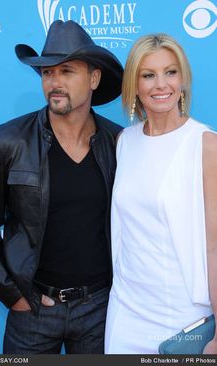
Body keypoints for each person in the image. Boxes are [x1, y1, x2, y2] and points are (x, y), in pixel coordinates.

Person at [0, 20, 123, 354]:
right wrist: (13, 296)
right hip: (32, 311)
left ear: (94, 78)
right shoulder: (8, 141)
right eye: (47, 73)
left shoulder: (118, 143)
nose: (54, 83)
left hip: (100, 310)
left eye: (67, 71)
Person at [105, 33, 217, 354]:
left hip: (183, 317)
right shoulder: (124, 141)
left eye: (170, 72)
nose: (160, 84)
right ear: (135, 85)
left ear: (183, 80)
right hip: (126, 312)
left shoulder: (205, 145)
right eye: (148, 75)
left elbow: (214, 247)